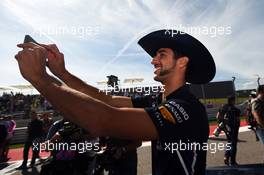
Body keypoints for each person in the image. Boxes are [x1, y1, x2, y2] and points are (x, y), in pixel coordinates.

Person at [15, 29, 216, 174]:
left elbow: (105, 120)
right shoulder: (157, 100)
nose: (153, 60)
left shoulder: (186, 108)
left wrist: (40, 78)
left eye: (161, 55)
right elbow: (107, 100)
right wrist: (61, 73)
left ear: (182, 62)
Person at [218, 96, 241, 166]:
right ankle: (232, 161)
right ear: (232, 101)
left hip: (225, 127)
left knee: (229, 142)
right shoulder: (235, 109)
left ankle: (226, 156)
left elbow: (217, 117)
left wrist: (221, 124)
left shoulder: (222, 107)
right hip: (233, 128)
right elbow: (237, 119)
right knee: (233, 144)